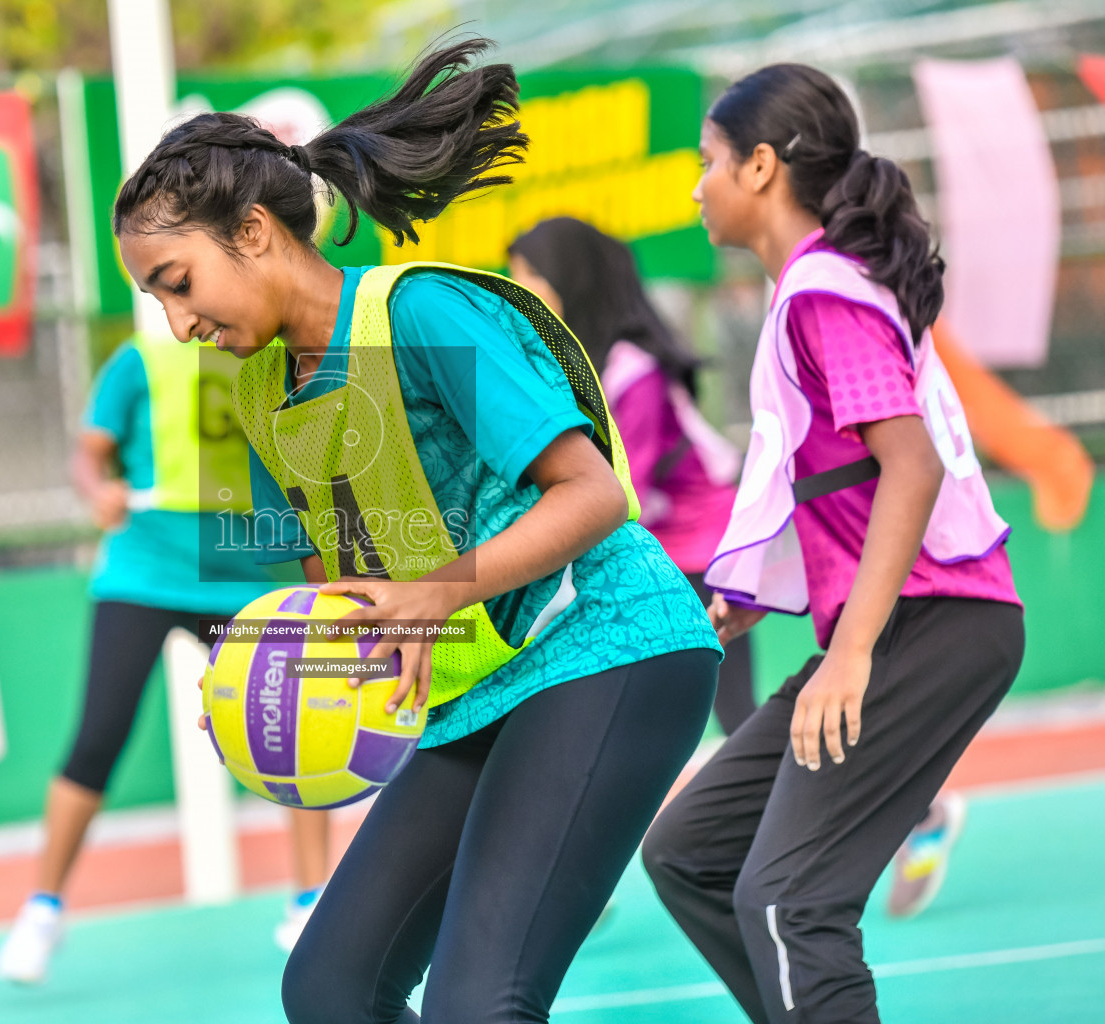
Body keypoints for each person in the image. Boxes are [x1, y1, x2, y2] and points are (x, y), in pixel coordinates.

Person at [112, 38, 723, 1024]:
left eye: (178, 282)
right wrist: (266, 677)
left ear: (257, 232)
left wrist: (434, 594)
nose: (177, 322)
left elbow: (594, 495)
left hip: (609, 648)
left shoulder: (426, 313)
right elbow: (340, 595)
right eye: (157, 298)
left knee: (480, 1005)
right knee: (329, 988)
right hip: (474, 685)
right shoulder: (267, 387)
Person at [640, 64, 1024, 1024]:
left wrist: (849, 654)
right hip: (903, 621)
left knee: (789, 899)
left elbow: (913, 465)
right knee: (689, 851)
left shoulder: (822, 291)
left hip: (932, 622)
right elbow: (826, 480)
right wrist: (753, 593)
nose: (698, 186)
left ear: (763, 167)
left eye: (709, 163)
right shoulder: (813, 292)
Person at [0, 334, 327, 985]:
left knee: (295, 734)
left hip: (247, 577)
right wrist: (98, 491)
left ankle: (311, 900)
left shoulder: (283, 357)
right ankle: (43, 909)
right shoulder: (137, 360)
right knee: (97, 739)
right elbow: (89, 456)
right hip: (145, 570)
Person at [508, 218, 754, 733]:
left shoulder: (632, 372)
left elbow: (621, 494)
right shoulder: (574, 367)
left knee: (732, 711)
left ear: (570, 279)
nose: (517, 290)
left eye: (529, 275)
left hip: (703, 552)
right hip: (660, 551)